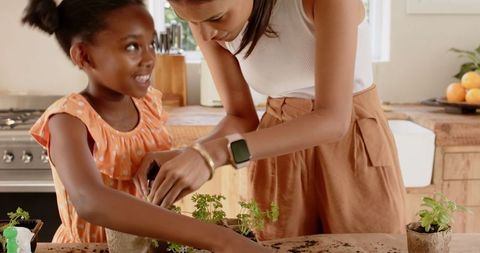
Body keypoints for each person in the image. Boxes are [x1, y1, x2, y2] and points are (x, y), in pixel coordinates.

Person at [135, 0, 407, 240]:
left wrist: (214, 154)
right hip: (278, 151)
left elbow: (333, 120)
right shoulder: (205, 17)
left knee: (369, 245)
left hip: (351, 147)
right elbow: (241, 118)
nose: (205, 34)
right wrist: (190, 154)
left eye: (216, 18)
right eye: (188, 20)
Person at [24, 0, 272, 251]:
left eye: (150, 44)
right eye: (132, 46)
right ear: (84, 55)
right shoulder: (69, 119)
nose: (149, 58)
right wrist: (222, 239)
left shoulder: (149, 105)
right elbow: (91, 201)